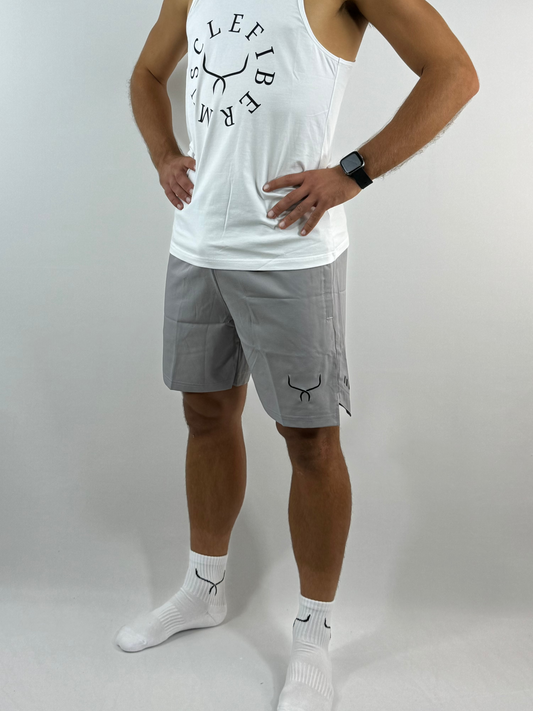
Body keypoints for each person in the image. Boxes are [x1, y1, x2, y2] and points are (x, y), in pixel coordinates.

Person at [114, 0, 479, 708]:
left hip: (290, 253)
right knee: (205, 416)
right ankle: (204, 588)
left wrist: (353, 171)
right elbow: (147, 74)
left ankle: (312, 637)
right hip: (197, 244)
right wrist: (163, 153)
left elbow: (454, 72)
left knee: (310, 441)